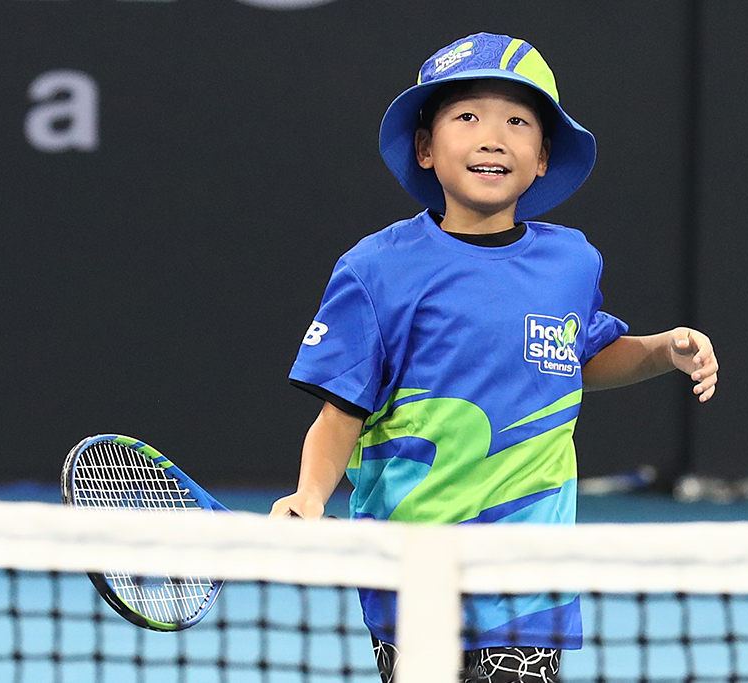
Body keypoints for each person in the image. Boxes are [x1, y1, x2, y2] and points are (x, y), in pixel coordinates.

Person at [270, 32, 719, 683]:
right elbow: (339, 413)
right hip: (411, 574)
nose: (492, 136)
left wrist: (658, 350)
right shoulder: (375, 269)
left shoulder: (571, 262)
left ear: (542, 157)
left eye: (517, 121)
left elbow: (574, 358)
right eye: (467, 117)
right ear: (425, 147)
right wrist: (311, 494)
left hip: (525, 579)